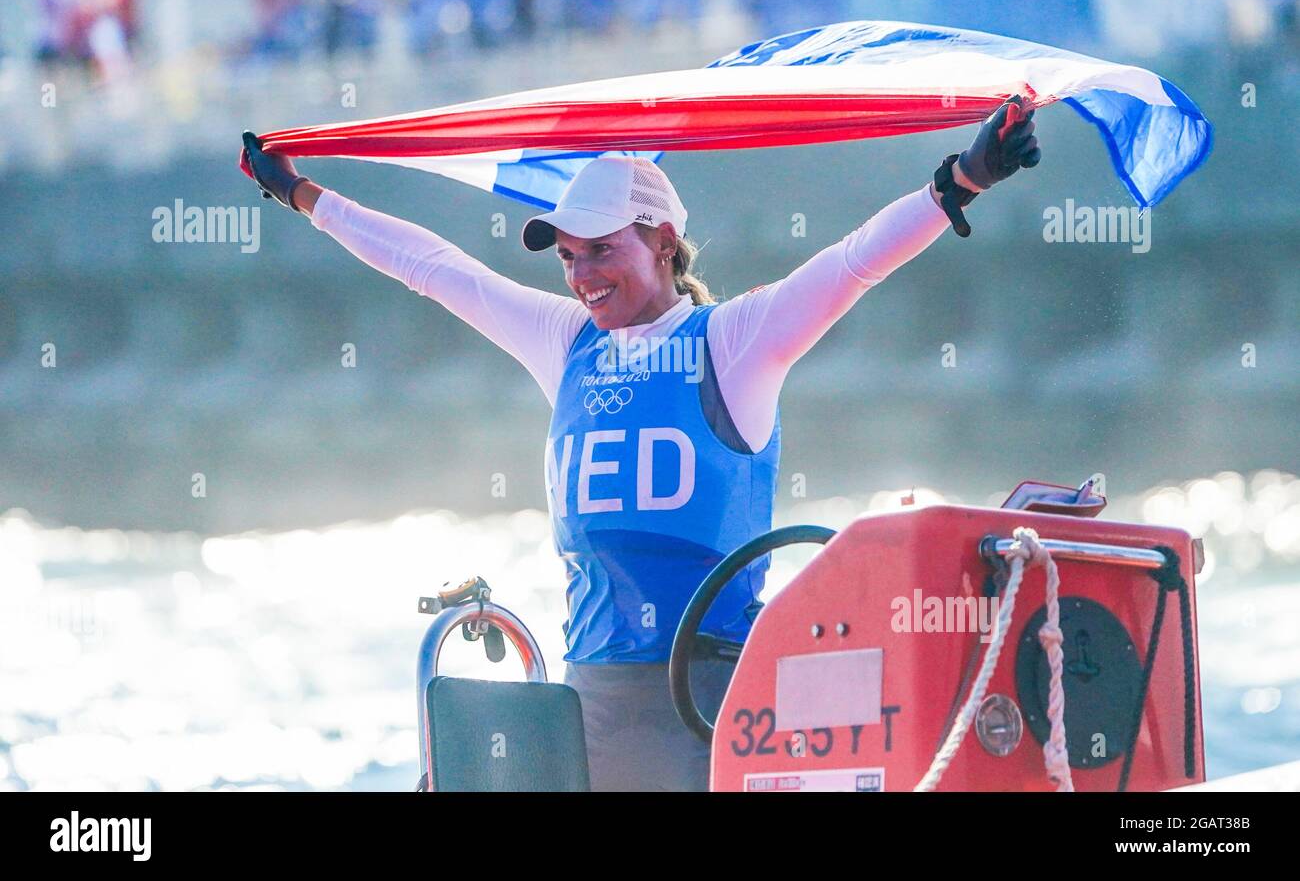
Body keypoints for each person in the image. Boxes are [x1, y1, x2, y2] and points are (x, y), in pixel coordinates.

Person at [239, 97, 1039, 790]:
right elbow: (433, 268)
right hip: (588, 712)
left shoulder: (733, 343)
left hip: (714, 710)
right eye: (568, 257)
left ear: (662, 241)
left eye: (602, 249)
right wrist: (305, 195)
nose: (581, 275)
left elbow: (851, 264)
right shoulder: (563, 341)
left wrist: (959, 182)